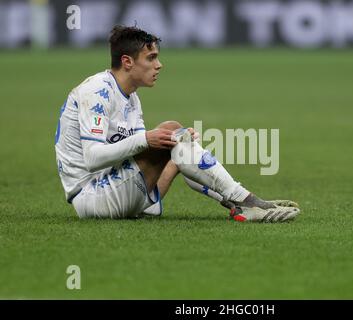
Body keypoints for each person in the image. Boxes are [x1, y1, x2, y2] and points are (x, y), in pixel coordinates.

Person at [54, 25, 300, 222]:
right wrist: (148, 138)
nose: (159, 65)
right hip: (91, 196)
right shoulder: (97, 91)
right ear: (128, 62)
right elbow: (92, 158)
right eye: (151, 58)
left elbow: (138, 150)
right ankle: (247, 202)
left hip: (118, 188)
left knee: (176, 137)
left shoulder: (131, 98)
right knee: (171, 132)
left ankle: (238, 202)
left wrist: (174, 142)